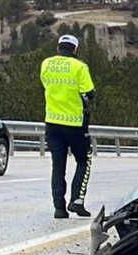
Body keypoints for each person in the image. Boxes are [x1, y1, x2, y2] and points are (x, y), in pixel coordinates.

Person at [40, 35, 96, 219]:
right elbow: (89, 92)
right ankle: (77, 200)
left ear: (58, 48)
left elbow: (45, 84)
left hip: (52, 122)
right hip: (74, 123)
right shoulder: (79, 67)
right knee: (83, 160)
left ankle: (59, 208)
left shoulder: (46, 64)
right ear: (75, 49)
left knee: (58, 165)